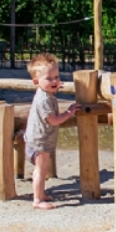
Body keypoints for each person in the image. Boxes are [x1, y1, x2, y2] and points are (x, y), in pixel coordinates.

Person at [23, 53, 80, 210]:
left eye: (56, 77)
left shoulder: (45, 94)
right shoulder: (45, 99)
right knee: (41, 170)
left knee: (40, 169)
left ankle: (40, 193)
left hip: (37, 139)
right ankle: (37, 200)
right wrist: (69, 112)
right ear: (36, 82)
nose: (55, 81)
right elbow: (54, 120)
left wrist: (53, 86)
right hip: (40, 141)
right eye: (49, 79)